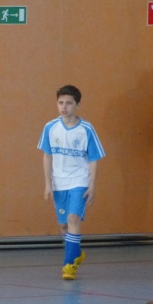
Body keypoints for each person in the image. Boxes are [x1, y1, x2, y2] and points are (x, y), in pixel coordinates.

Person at [38, 84, 105, 280]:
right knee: (64, 226)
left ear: (77, 105)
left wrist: (92, 184)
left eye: (68, 103)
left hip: (79, 180)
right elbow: (47, 156)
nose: (64, 107)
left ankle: (69, 265)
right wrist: (48, 183)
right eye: (61, 103)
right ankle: (76, 252)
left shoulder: (86, 129)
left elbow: (93, 159)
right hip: (59, 183)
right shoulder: (50, 127)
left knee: (73, 219)